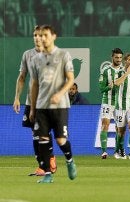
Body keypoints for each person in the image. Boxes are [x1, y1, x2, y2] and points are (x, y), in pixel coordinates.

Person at [29, 24, 77, 183]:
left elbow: (71, 79)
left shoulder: (64, 55)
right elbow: (34, 84)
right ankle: (48, 174)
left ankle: (69, 161)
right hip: (42, 105)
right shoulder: (35, 59)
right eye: (40, 35)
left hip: (60, 105)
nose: (42, 38)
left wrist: (60, 94)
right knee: (42, 138)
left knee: (60, 140)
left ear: (54, 36)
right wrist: (32, 107)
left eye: (45, 35)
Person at [13, 25, 57, 176]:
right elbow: (22, 77)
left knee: (43, 132)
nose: (37, 38)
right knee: (35, 133)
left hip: (46, 101)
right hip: (30, 101)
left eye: (40, 35)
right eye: (35, 35)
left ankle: (50, 160)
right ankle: (42, 166)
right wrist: (17, 98)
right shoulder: (27, 55)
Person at [98, 48, 123, 159]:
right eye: (116, 57)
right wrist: (109, 86)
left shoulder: (124, 71)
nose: (118, 59)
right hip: (107, 101)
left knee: (119, 128)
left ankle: (117, 151)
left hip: (120, 103)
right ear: (112, 57)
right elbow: (101, 88)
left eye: (120, 57)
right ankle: (104, 152)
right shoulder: (105, 70)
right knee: (105, 124)